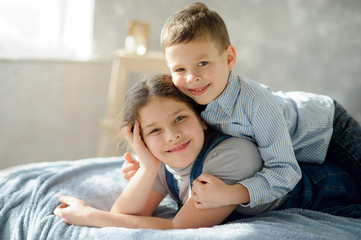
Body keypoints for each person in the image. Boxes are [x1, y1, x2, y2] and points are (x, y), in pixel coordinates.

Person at [123, 2, 361, 211]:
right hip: (285, 148)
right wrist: (144, 165)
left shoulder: (257, 104)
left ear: (229, 58)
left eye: (202, 63)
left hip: (328, 129)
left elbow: (285, 169)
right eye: (180, 69)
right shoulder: (189, 96)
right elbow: (167, 127)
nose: (191, 77)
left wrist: (230, 193)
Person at [53, 74, 361, 230]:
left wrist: (90, 215)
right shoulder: (164, 159)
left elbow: (178, 227)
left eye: (180, 119)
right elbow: (126, 215)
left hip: (337, 188)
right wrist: (147, 167)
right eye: (154, 131)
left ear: (201, 117)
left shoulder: (231, 155)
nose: (172, 136)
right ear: (140, 138)